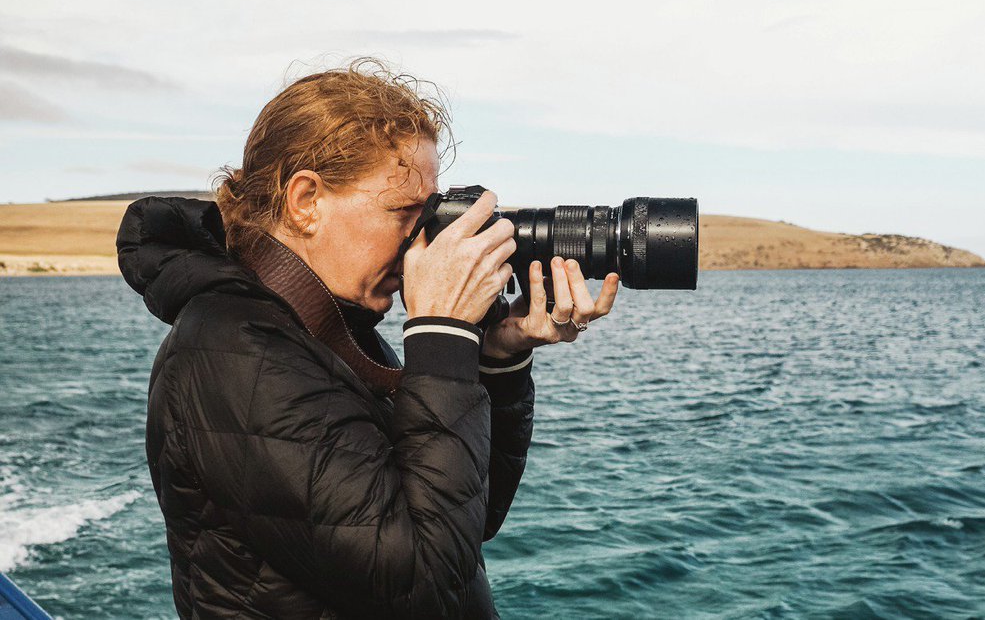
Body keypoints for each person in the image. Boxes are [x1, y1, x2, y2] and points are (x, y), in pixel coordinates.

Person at [115, 59, 619, 619]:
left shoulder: (330, 333)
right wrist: (443, 337)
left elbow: (466, 519)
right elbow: (421, 581)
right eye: (403, 212)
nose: (420, 241)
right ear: (305, 201)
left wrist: (494, 356)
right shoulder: (236, 351)